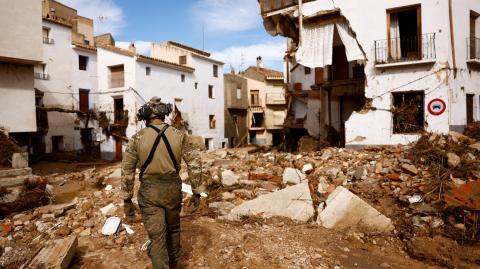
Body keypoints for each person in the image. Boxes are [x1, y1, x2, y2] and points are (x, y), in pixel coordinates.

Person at [121, 97, 204, 269]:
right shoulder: (179, 135)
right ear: (164, 115)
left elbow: (127, 170)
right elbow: (195, 163)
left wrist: (126, 198)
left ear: (145, 118)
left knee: (157, 237)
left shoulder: (137, 138)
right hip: (172, 189)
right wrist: (197, 191)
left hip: (150, 192)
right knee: (173, 229)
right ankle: (174, 262)